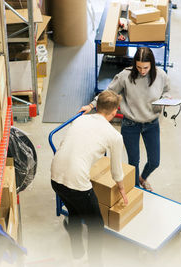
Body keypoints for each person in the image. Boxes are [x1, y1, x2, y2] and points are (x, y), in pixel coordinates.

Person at [51, 90, 128, 266]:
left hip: (55, 176)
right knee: (96, 226)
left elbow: (66, 145)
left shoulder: (80, 119)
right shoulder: (114, 136)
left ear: (97, 105)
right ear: (115, 111)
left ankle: (77, 256)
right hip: (76, 183)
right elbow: (116, 170)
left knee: (75, 213)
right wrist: (122, 189)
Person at [80, 47, 171, 192]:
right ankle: (136, 189)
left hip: (152, 123)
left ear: (152, 64)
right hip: (131, 124)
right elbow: (108, 93)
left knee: (155, 161)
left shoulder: (161, 75)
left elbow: (166, 91)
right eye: (139, 67)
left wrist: (166, 99)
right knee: (133, 162)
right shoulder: (125, 76)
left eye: (146, 67)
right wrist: (91, 105)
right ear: (134, 63)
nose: (142, 71)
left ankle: (143, 178)